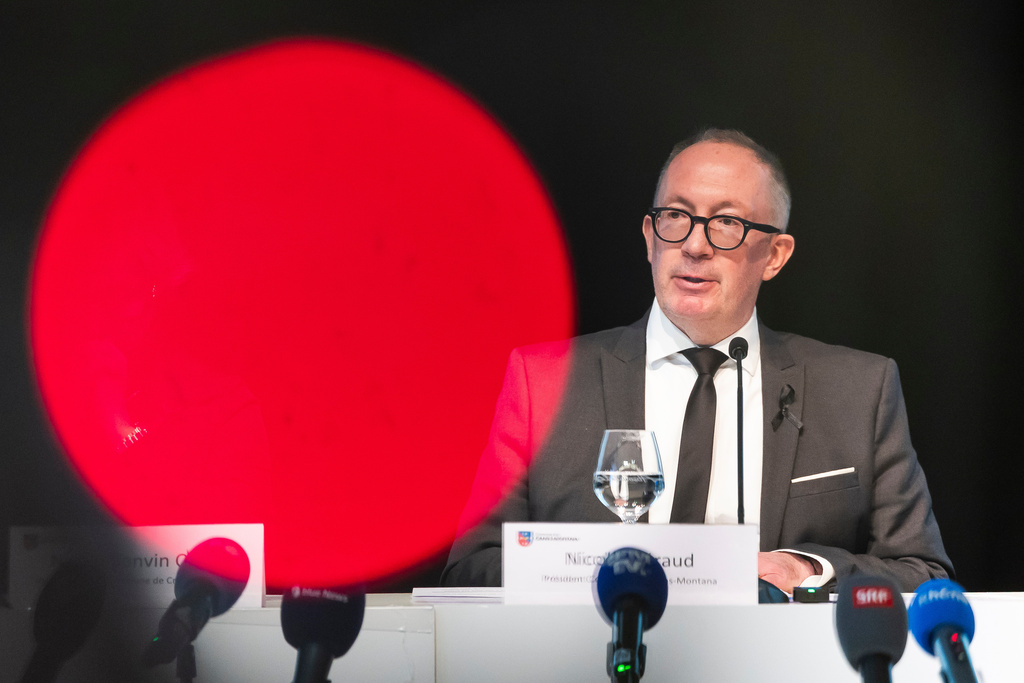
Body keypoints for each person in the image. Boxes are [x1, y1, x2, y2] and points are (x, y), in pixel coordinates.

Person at [440, 128, 952, 593]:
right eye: (676, 217)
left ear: (775, 254)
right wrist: (584, 569)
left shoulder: (859, 390)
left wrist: (808, 570)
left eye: (726, 223)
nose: (694, 244)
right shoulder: (543, 381)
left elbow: (920, 570)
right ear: (648, 236)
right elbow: (471, 568)